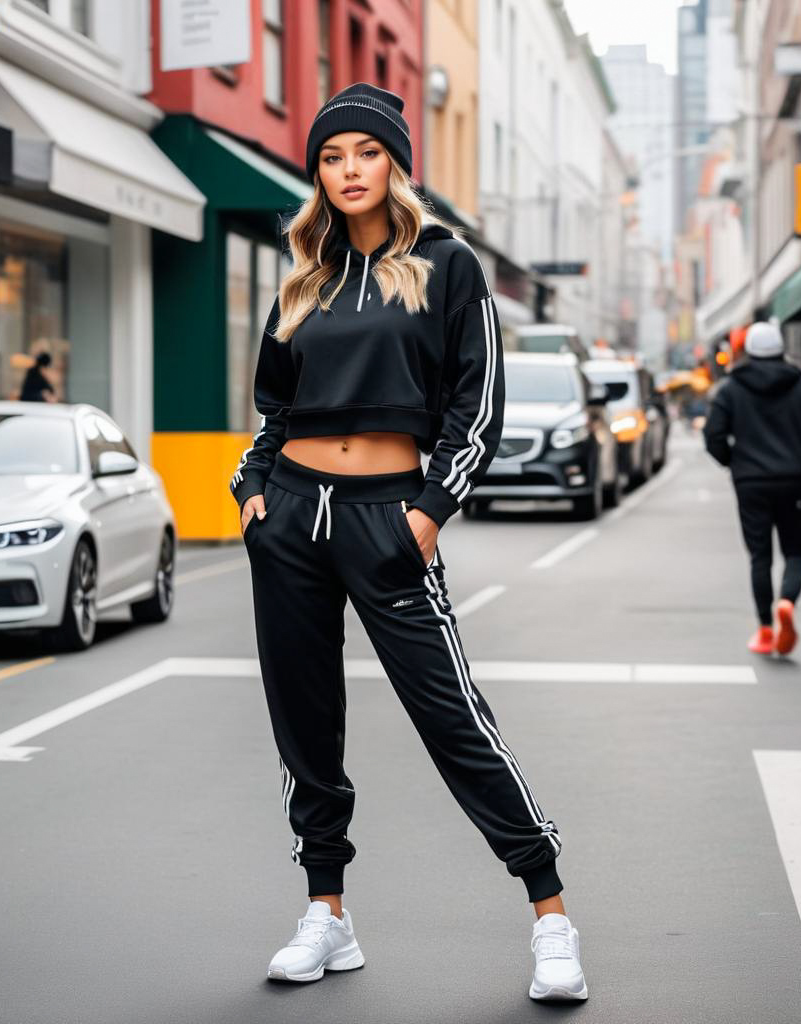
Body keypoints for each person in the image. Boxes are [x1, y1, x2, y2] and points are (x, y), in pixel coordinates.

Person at [229, 83, 586, 1002]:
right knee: (304, 727)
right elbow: (274, 407)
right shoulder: (303, 272)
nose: (348, 171)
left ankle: (550, 914)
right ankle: (328, 913)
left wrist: (427, 513)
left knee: (452, 718)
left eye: (365, 153)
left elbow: (479, 407)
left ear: (395, 163)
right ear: (318, 172)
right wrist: (253, 490)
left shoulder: (447, 265)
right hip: (292, 517)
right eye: (332, 157)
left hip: (388, 514)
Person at [704, 321, 801, 655]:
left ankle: (765, 629)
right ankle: (787, 602)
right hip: (791, 481)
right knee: (796, 551)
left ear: (748, 352)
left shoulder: (731, 389)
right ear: (781, 349)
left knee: (759, 556)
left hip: (750, 483)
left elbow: (713, 436)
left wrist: (734, 463)